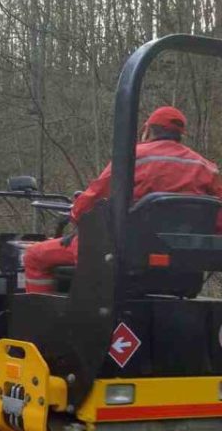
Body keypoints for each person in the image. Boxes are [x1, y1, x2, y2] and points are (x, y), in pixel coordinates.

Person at [23, 106, 222, 293]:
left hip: (122, 254)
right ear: (180, 135)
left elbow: (91, 201)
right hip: (184, 264)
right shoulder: (207, 167)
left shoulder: (133, 158)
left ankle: (36, 323)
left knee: (34, 256)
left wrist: (75, 214)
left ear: (148, 131)